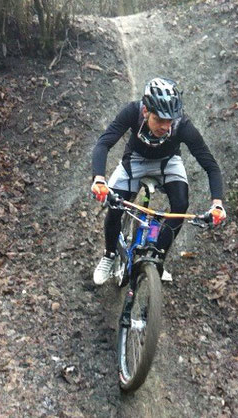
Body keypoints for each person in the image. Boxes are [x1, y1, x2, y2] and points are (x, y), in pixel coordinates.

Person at [91, 77, 226, 285]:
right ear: (146, 111)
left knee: (181, 205)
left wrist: (217, 204)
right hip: (134, 160)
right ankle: (109, 254)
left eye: (169, 120)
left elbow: (210, 165)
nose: (165, 126)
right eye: (159, 119)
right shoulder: (132, 112)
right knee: (115, 205)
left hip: (167, 162)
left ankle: (157, 258)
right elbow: (104, 143)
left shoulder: (183, 125)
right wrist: (99, 180)